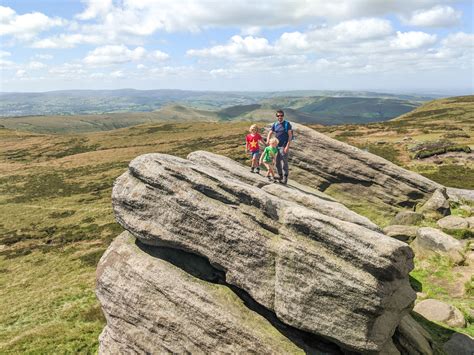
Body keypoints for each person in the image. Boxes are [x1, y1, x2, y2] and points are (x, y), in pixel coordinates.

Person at [266, 109, 293, 184]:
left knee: (284, 162)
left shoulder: (287, 124)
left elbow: (290, 135)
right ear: (277, 116)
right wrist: (268, 140)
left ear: (283, 116)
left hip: (283, 146)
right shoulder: (275, 124)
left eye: (281, 115)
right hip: (276, 146)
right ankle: (280, 176)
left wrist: (287, 146)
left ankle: (285, 178)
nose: (280, 117)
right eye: (278, 115)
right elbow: (270, 132)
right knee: (277, 162)